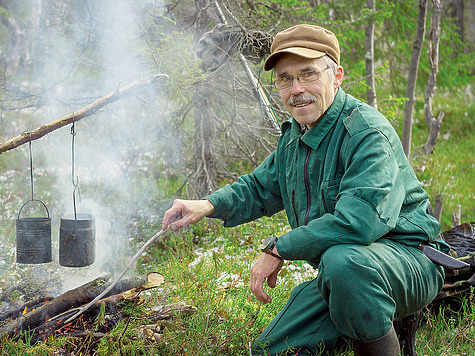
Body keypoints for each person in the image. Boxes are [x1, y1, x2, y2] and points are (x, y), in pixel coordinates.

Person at [162, 24, 449, 355]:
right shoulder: (297, 136)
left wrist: (277, 249)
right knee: (271, 349)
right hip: (345, 272)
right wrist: (207, 205)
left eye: (308, 74)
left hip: (411, 259)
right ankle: (361, 323)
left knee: (344, 263)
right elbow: (258, 188)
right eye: (285, 79)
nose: (296, 88)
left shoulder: (366, 134)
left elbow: (358, 223)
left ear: (336, 75)